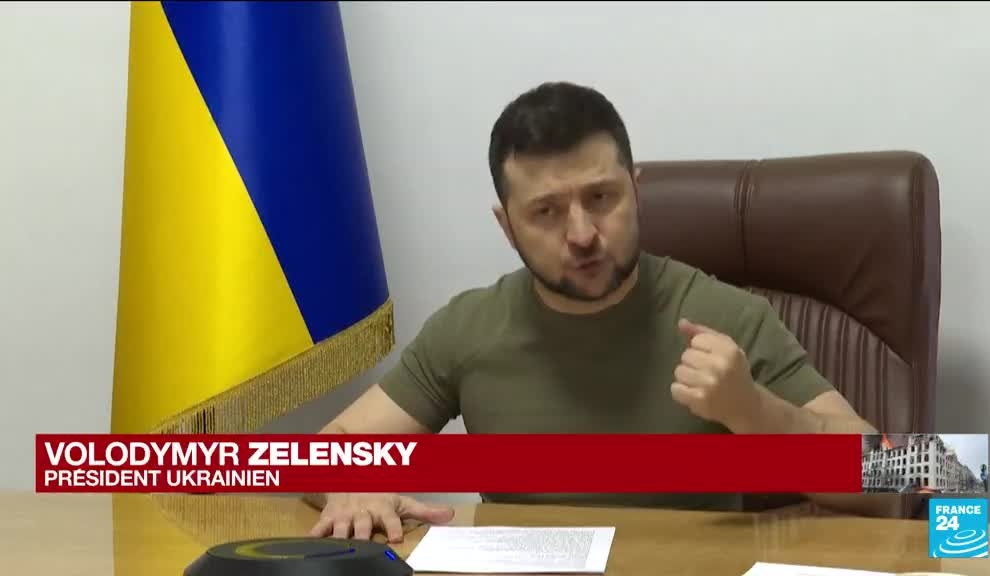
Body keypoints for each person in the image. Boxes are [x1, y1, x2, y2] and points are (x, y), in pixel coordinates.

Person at [307, 81, 894, 542]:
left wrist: (756, 412)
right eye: (545, 212)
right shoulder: (468, 328)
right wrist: (351, 488)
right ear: (507, 227)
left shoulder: (726, 315)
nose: (582, 234)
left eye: (601, 198)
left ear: (636, 191)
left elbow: (899, 476)